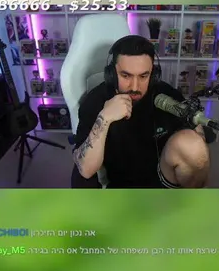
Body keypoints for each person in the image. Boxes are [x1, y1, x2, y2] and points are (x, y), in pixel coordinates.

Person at [73, 35, 211, 188]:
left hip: (163, 178)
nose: (134, 87)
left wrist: (195, 127)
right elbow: (85, 169)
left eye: (143, 76)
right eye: (126, 75)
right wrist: (105, 117)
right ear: (111, 74)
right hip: (120, 187)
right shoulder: (95, 101)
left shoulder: (166, 95)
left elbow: (197, 147)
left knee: (194, 147)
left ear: (154, 75)